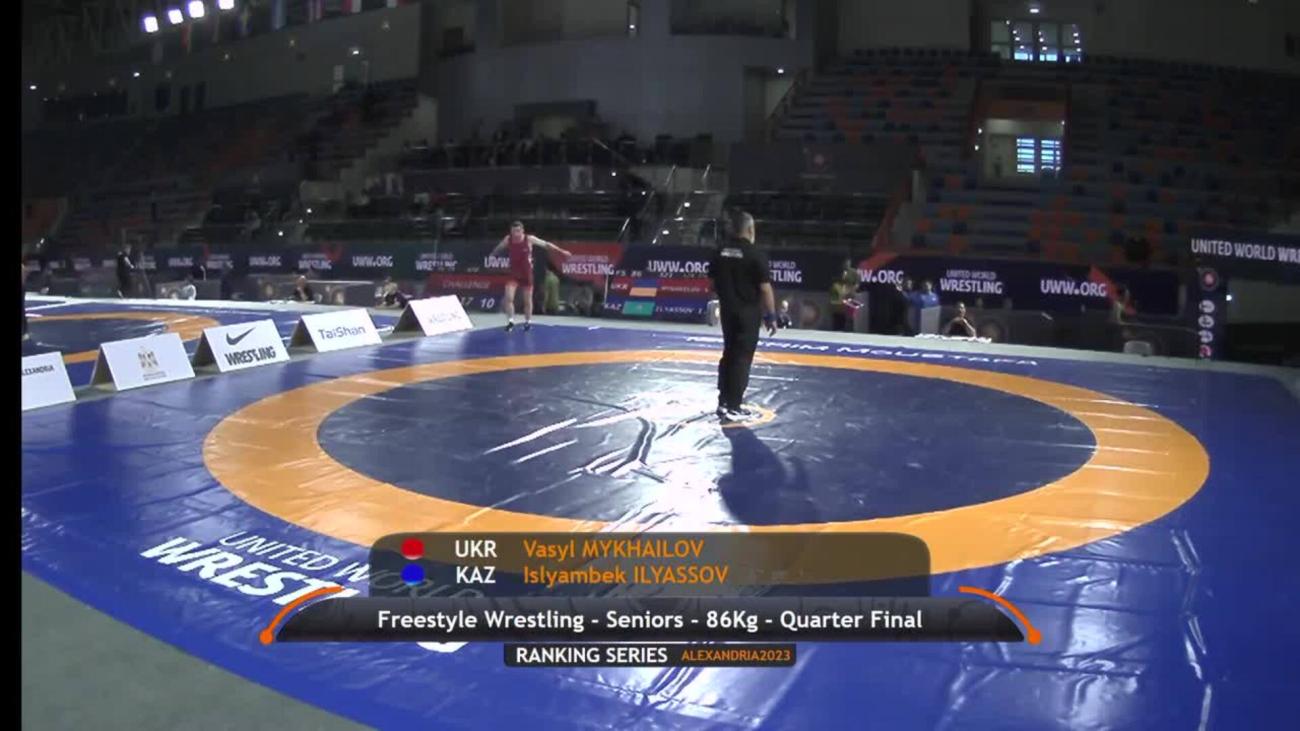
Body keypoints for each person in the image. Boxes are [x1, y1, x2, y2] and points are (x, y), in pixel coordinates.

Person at [708, 210, 777, 424]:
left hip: (727, 311)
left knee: (729, 353)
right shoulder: (755, 254)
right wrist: (771, 315)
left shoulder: (720, 251)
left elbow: (712, 283)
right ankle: (734, 406)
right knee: (742, 358)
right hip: (748, 313)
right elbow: (765, 288)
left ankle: (723, 401)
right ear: (750, 229)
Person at [489, 221, 571, 332]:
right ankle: (510, 322)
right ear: (511, 232)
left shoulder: (529, 239)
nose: (516, 234)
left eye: (518, 231)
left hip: (526, 275)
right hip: (513, 274)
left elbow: (546, 245)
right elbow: (499, 247)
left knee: (527, 301)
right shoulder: (508, 239)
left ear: (522, 231)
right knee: (509, 298)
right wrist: (493, 254)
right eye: (514, 231)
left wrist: (561, 251)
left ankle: (528, 322)